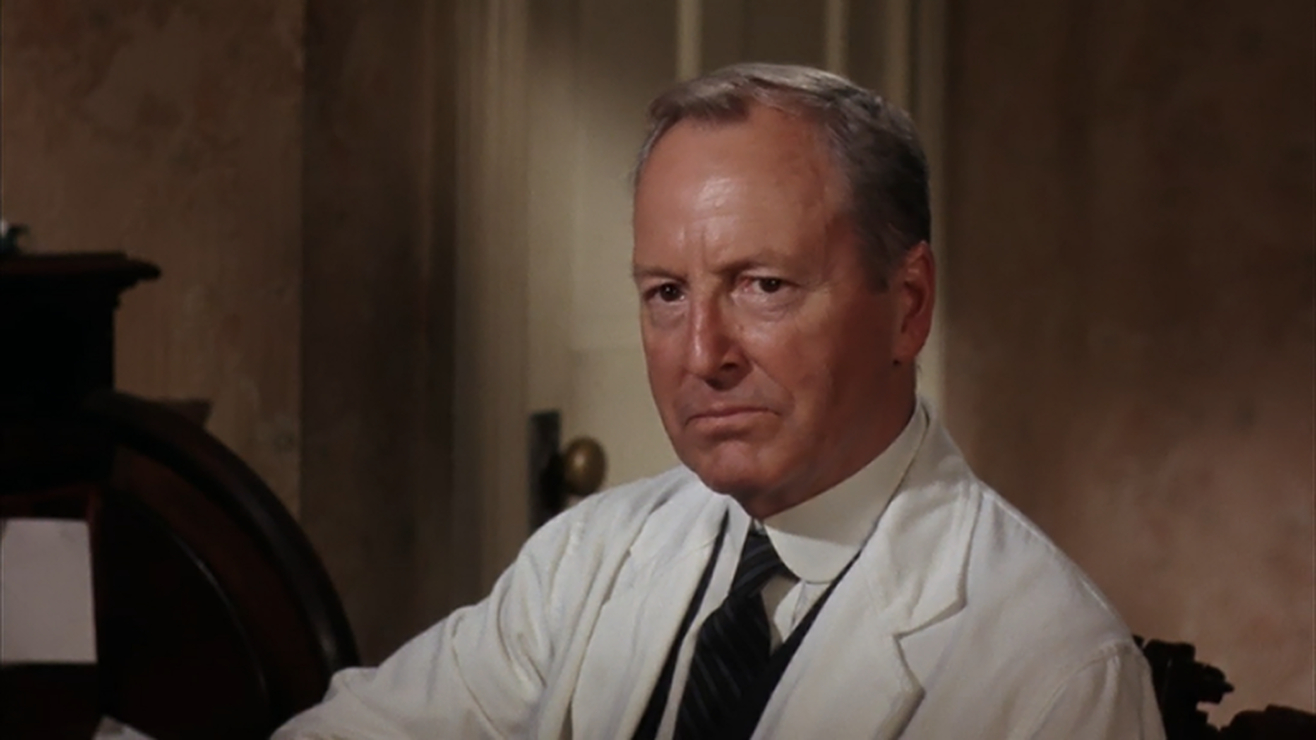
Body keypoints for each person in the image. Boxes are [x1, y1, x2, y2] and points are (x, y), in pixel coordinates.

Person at [274, 63, 1163, 739]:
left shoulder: (1053, 673)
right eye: (667, 293)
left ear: (908, 305)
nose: (702, 355)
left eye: (763, 285)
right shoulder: (586, 559)